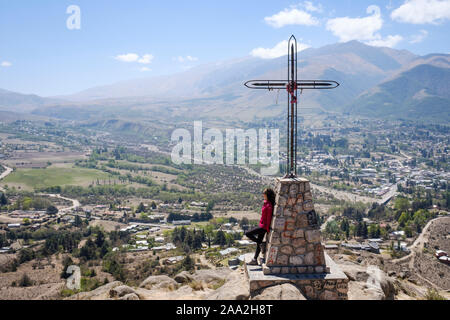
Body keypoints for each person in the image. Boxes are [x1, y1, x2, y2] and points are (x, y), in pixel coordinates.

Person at [245, 188, 275, 265]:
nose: (263, 196)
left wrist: (267, 229)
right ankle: (255, 259)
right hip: (261, 225)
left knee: (248, 233)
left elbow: (268, 218)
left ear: (267, 195)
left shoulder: (269, 206)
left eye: (264, 194)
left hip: (264, 227)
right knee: (258, 243)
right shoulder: (266, 203)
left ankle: (261, 244)